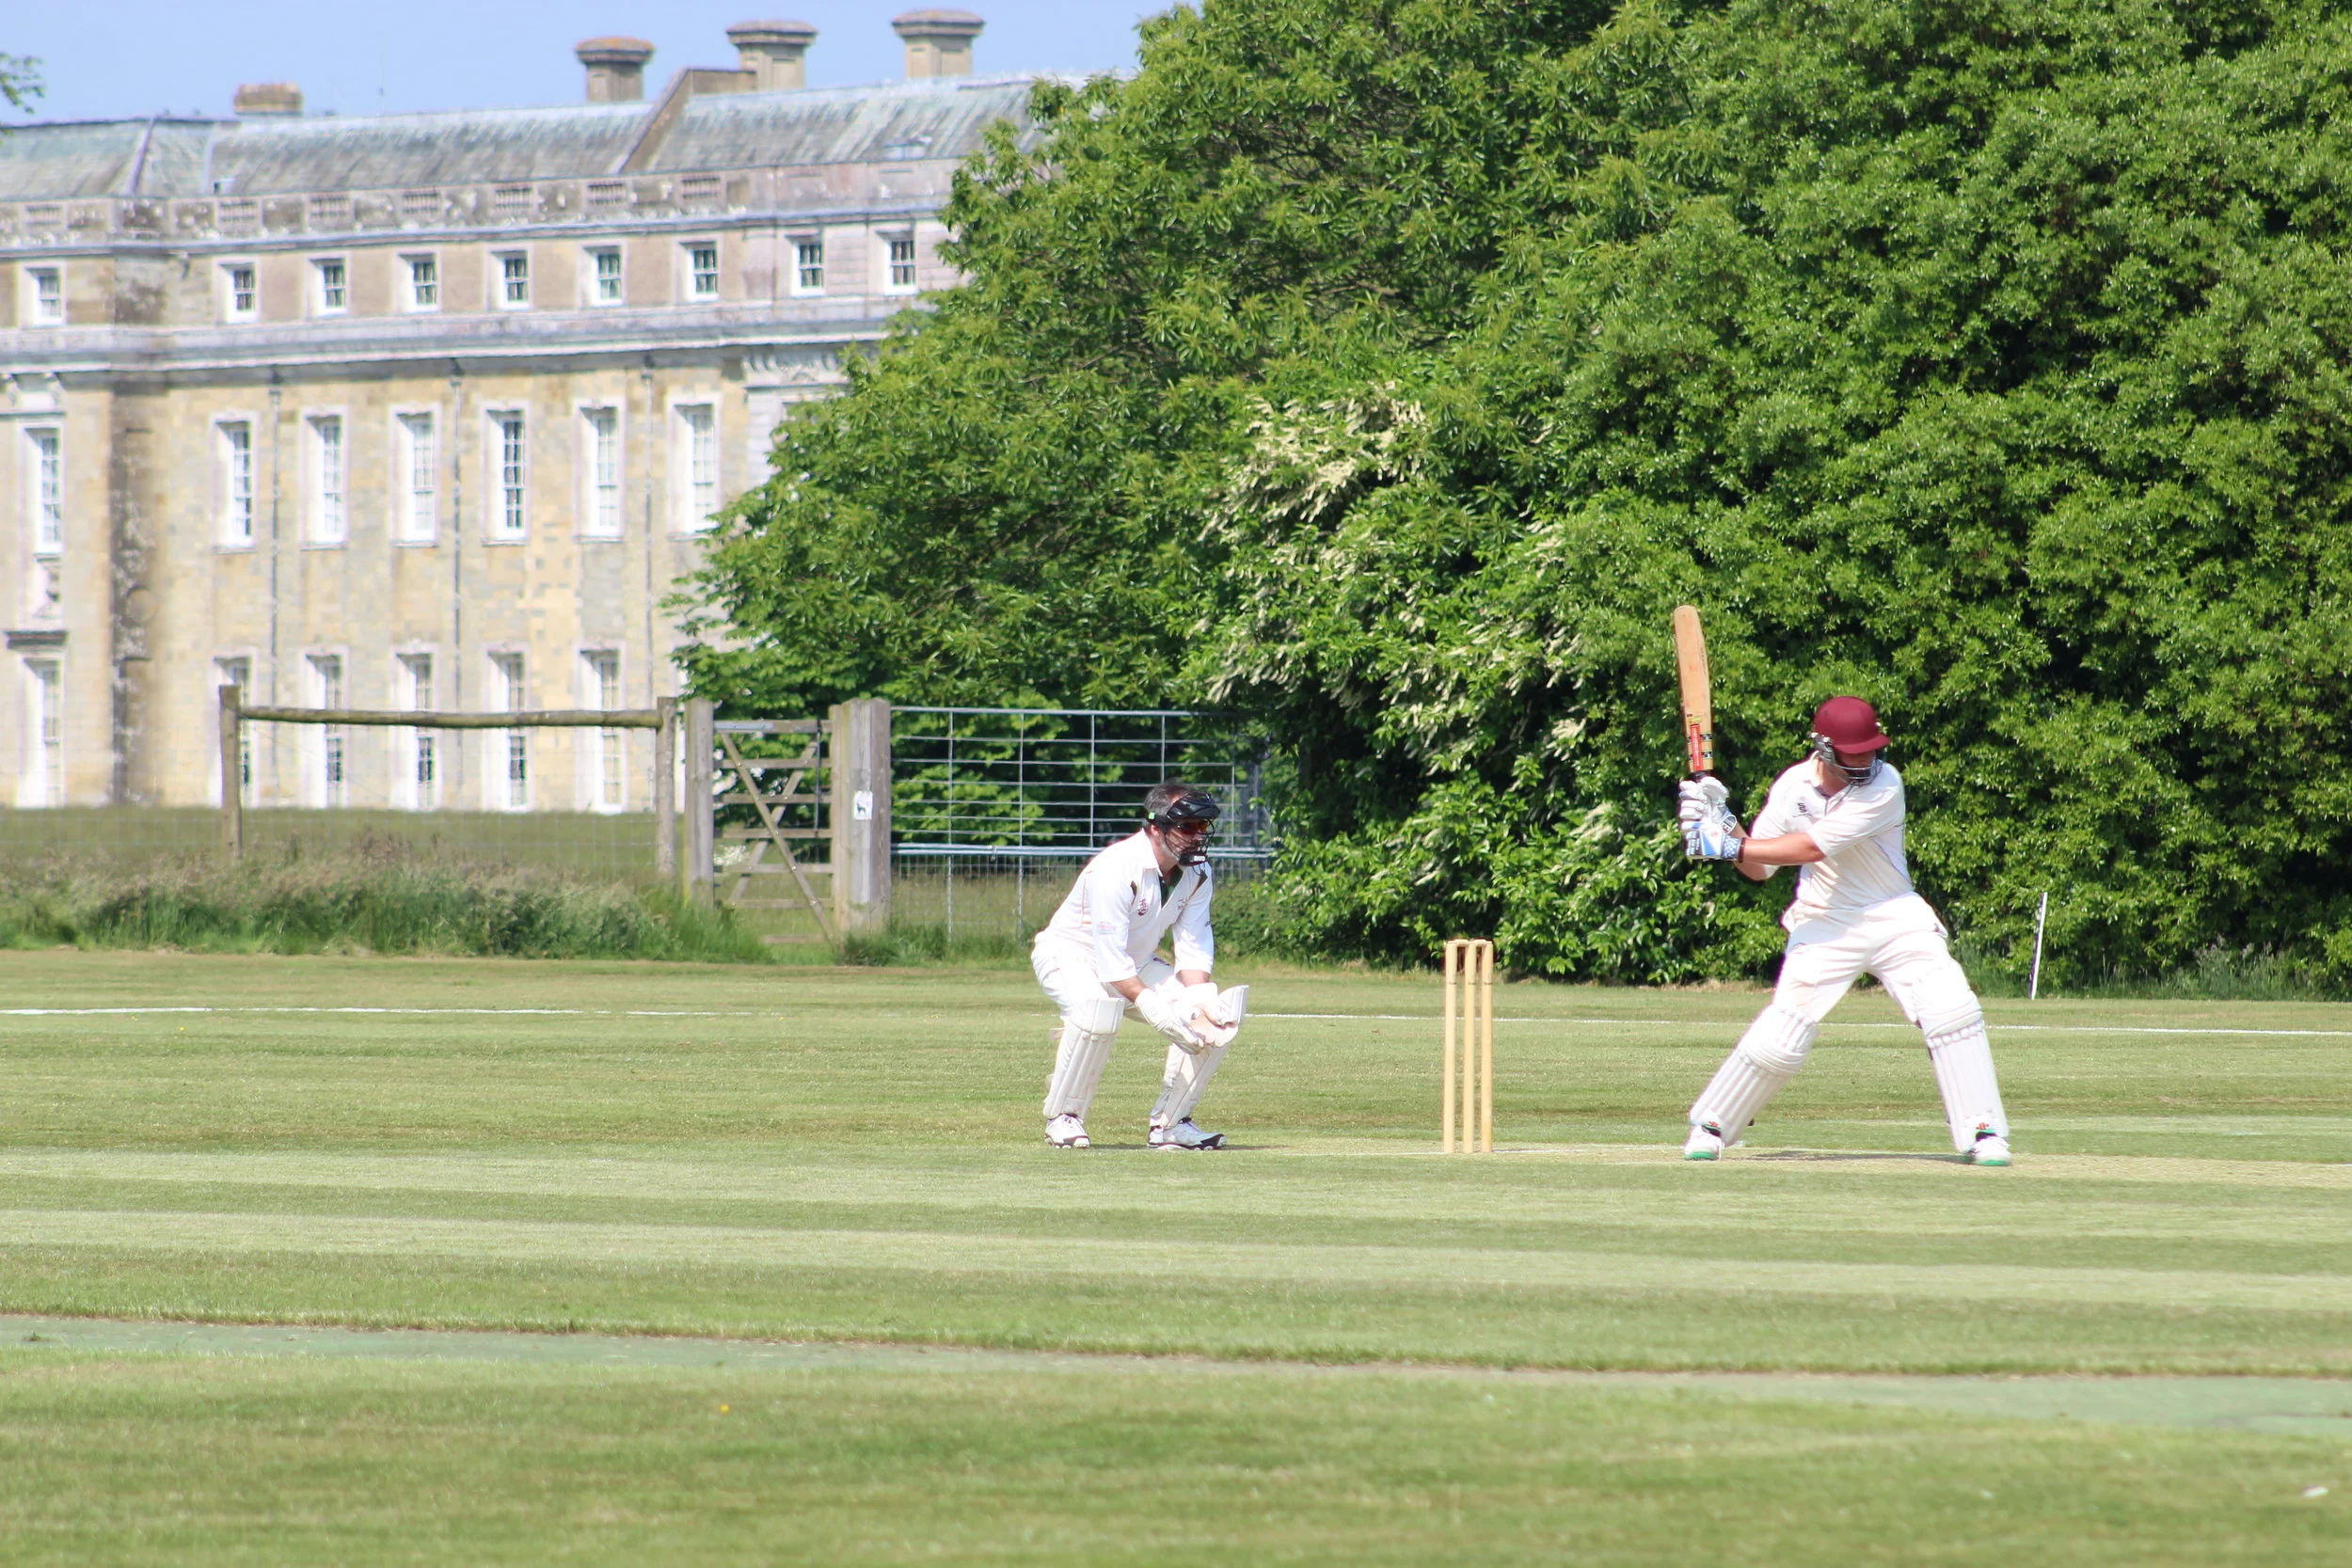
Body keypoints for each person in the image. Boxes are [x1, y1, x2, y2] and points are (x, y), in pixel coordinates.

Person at [1677, 696, 2011, 1165]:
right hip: (1825, 919)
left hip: (1894, 914)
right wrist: (1724, 826)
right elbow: (1760, 869)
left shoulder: (1885, 785)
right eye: (1855, 754)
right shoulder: (1793, 784)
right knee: (1785, 1030)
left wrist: (1723, 838)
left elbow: (1811, 847)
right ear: (1823, 748)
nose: (1866, 761)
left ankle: (1985, 1133)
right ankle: (1712, 1125)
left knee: (1951, 1006)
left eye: (1872, 751)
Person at [1031, 781, 1248, 1150]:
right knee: (1097, 1014)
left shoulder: (1198, 872)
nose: (1197, 837)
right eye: (1187, 827)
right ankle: (1065, 1117)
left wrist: (1196, 1006)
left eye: (1202, 827)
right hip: (1071, 955)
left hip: (1136, 963)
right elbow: (1111, 964)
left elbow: (1193, 951)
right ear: (1154, 826)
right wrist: (1154, 1009)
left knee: (1217, 1018)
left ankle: (1172, 1124)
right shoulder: (1115, 868)